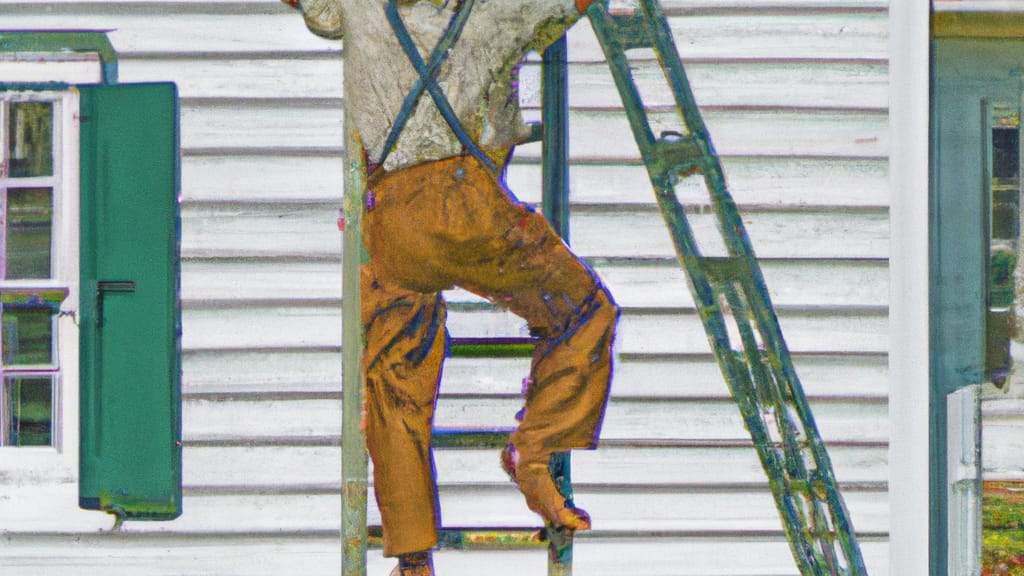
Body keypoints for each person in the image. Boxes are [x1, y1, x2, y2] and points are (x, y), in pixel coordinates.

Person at [286, 1, 617, 574]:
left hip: (389, 219)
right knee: (584, 309)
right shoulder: (499, 8)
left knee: (393, 382)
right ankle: (533, 451)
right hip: (466, 208)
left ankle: (412, 557)